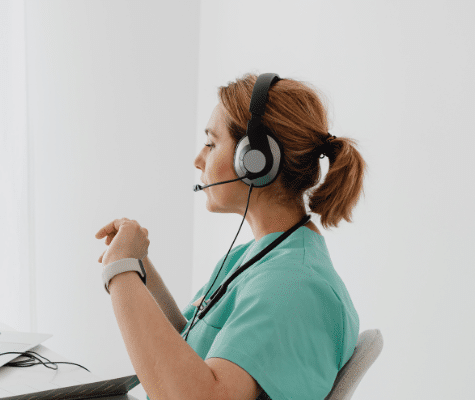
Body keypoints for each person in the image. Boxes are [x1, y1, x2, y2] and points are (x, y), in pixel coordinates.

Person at [95, 72, 366, 400]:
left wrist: (119, 271)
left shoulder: (292, 285)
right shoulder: (256, 257)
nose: (199, 159)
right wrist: (140, 268)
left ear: (256, 160)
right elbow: (194, 344)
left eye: (211, 143)